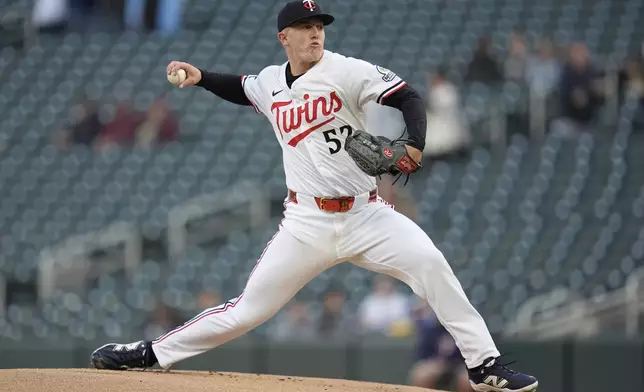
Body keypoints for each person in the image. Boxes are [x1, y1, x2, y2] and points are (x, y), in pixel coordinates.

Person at [89, 2, 538, 391]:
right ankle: (150, 353)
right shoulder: (270, 82)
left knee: (432, 265)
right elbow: (241, 87)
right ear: (285, 37)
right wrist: (201, 76)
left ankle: (485, 366)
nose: (316, 33)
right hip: (306, 223)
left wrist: (414, 143)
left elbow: (408, 96)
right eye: (306, 27)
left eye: (320, 25)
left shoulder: (345, 69)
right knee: (247, 311)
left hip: (366, 215)